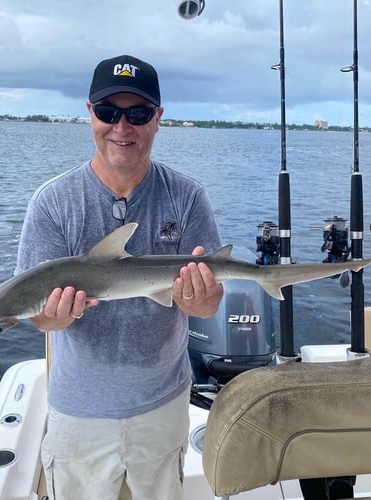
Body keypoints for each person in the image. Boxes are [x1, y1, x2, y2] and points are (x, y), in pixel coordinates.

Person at [15, 54, 223, 500]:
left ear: (158, 119)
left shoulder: (186, 197)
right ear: (90, 113)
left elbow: (206, 307)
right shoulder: (52, 203)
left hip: (163, 404)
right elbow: (40, 321)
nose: (122, 128)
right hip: (80, 410)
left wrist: (198, 299)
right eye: (109, 113)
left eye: (138, 114)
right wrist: (54, 317)